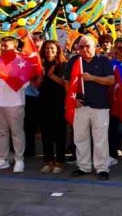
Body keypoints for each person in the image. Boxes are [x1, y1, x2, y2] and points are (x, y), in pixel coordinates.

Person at [66, 35, 115, 180]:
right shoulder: (74, 61)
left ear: (95, 47)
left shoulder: (103, 61)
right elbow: (67, 82)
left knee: (100, 138)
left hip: (100, 106)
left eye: (88, 46)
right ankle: (84, 166)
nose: (84, 49)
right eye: (81, 47)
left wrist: (92, 77)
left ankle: (102, 168)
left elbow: (111, 80)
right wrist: (72, 99)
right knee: (80, 137)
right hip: (80, 106)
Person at [0, 36, 28, 174]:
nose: (3, 48)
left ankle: (19, 159)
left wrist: (10, 76)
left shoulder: (21, 62)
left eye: (6, 46)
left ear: (15, 47)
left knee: (16, 132)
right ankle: (3, 158)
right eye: (2, 45)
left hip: (14, 102)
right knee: (1, 132)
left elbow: (26, 84)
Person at [38, 40, 67, 174]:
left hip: (58, 102)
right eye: (47, 49)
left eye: (52, 49)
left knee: (59, 134)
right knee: (46, 134)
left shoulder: (63, 64)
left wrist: (51, 75)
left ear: (57, 50)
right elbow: (37, 84)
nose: (49, 51)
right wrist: (39, 77)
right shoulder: (41, 64)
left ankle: (60, 162)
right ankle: (48, 160)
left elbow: (65, 83)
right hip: (44, 102)